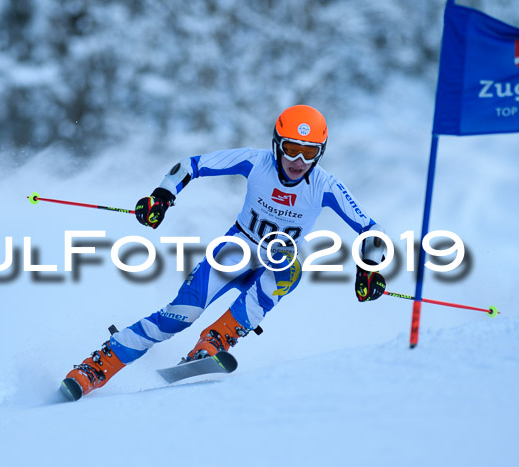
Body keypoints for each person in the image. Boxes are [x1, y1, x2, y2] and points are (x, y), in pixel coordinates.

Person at [63, 105, 387, 398]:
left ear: (320, 153)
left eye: (309, 152)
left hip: (278, 259)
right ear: (277, 144)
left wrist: (370, 268)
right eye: (290, 149)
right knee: (178, 318)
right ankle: (96, 367)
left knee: (292, 267)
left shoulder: (324, 185)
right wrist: (161, 196)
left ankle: (214, 341)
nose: (297, 162)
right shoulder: (256, 161)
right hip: (236, 248)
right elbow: (191, 165)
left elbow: (371, 230)